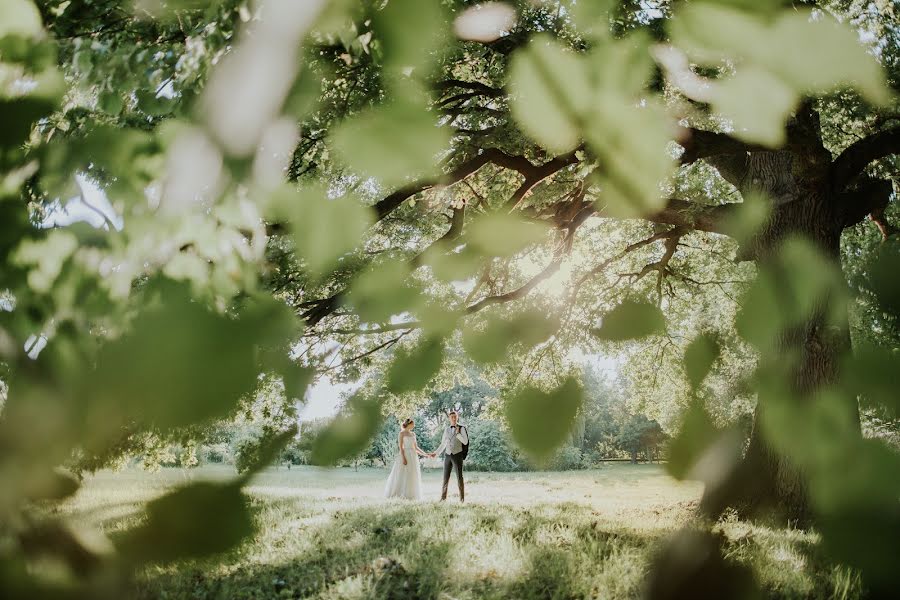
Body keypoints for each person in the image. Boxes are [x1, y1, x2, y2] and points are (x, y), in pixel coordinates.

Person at [383, 418, 428, 500]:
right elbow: (400, 447)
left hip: (413, 456)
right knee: (402, 473)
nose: (414, 425)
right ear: (409, 424)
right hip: (405, 454)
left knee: (412, 473)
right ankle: (399, 493)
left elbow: (416, 447)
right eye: (413, 424)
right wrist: (403, 458)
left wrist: (425, 454)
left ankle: (411, 494)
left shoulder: (413, 434)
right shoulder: (401, 433)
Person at [430, 410, 468, 502]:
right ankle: (443, 498)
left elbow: (465, 442)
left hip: (457, 454)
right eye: (452, 417)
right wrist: (436, 453)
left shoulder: (462, 428)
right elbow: (443, 443)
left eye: (455, 417)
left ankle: (462, 499)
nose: (454, 418)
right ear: (449, 418)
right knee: (445, 477)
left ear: (457, 417)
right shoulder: (446, 429)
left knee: (459, 477)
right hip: (448, 455)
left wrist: (458, 434)